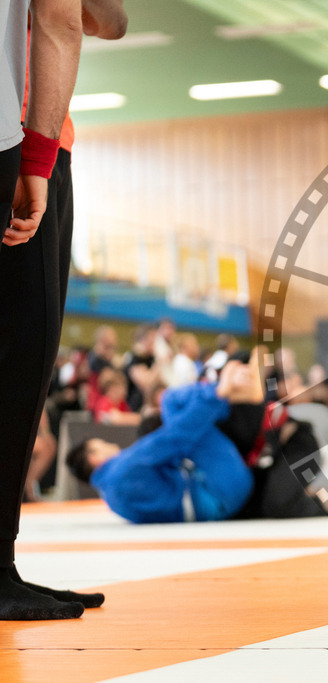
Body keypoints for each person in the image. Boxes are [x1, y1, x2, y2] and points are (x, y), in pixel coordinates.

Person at [1, 0, 126, 622]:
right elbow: (70, 18)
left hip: (22, 130)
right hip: (20, 134)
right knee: (20, 356)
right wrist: (37, 160)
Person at [66, 361, 257, 523]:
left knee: (174, 408)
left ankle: (229, 392)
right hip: (222, 491)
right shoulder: (122, 469)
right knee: (170, 401)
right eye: (101, 444)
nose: (109, 444)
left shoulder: (112, 497)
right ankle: (224, 390)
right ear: (93, 457)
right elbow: (176, 438)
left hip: (213, 500)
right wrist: (216, 397)